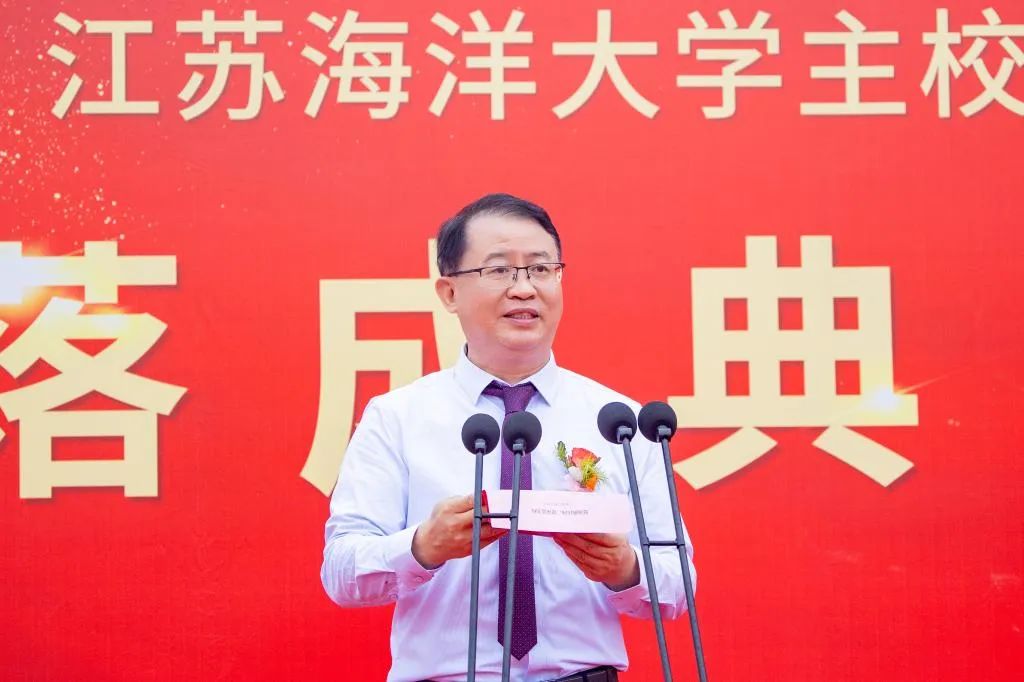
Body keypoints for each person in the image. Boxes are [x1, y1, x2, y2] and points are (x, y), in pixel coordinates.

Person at [321, 193, 696, 682]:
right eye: (499, 270)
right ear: (449, 292)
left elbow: (679, 583)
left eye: (541, 269)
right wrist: (423, 546)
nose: (524, 289)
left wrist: (625, 569)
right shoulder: (397, 417)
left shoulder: (619, 421)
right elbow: (341, 572)